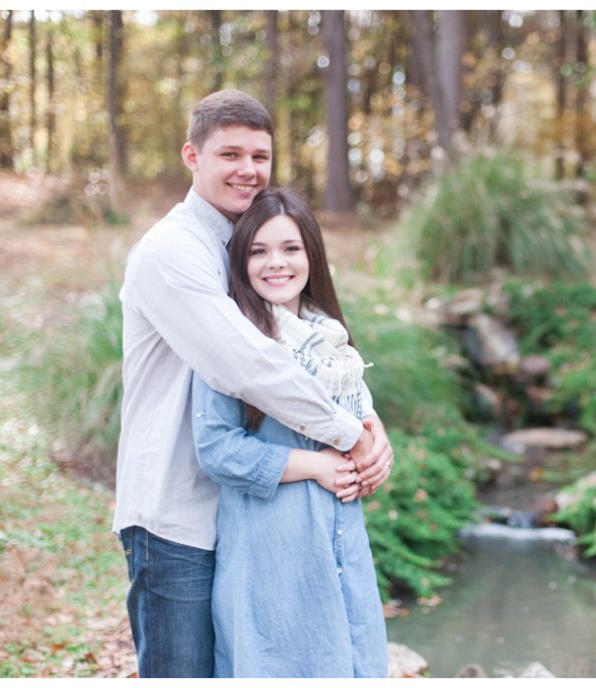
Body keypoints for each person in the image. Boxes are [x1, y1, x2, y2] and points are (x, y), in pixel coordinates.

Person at [112, 90, 394, 678]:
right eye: (230, 154)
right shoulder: (174, 250)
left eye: (260, 156)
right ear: (192, 156)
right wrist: (348, 436)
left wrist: (370, 425)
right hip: (177, 516)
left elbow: (318, 350)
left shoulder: (247, 243)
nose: (248, 170)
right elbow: (245, 365)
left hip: (246, 517)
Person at [192, 188, 388, 677]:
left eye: (290, 249)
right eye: (258, 251)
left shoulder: (332, 340)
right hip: (273, 557)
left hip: (342, 546)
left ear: (311, 256)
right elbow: (215, 447)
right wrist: (317, 467)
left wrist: (380, 450)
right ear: (241, 261)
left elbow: (358, 420)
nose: (275, 263)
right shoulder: (234, 340)